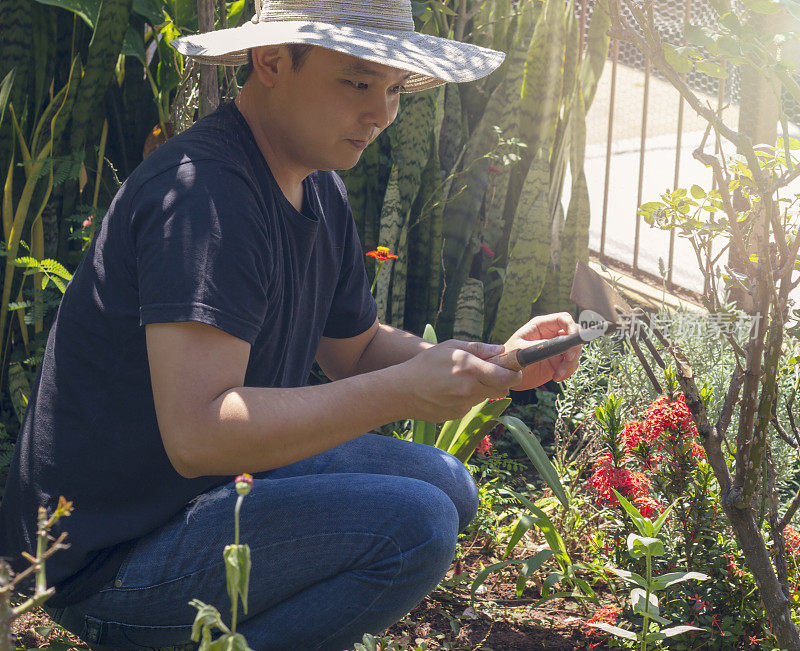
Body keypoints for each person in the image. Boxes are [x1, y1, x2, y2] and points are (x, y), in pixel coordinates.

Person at [0, 1, 582, 648]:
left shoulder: (315, 183)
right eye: (359, 83)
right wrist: (405, 390)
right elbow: (198, 433)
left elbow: (355, 350)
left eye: (394, 89)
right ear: (270, 61)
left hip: (203, 493)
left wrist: (480, 357)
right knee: (420, 522)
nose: (383, 113)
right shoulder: (206, 198)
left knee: (448, 484)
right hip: (105, 558)